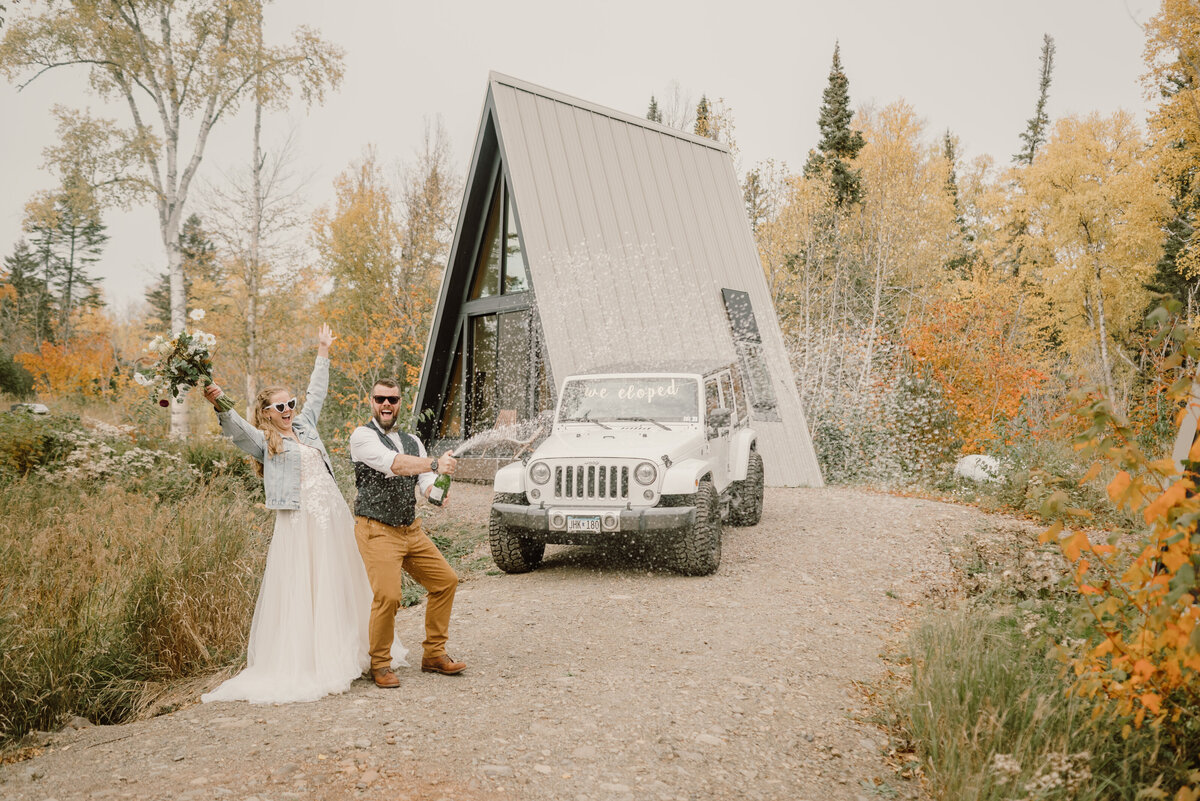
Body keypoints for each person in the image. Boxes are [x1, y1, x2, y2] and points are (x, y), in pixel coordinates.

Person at [199, 324, 403, 704]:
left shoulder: (305, 425)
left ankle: (362, 651)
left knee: (341, 579)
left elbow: (318, 394)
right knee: (308, 585)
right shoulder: (265, 441)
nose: (289, 410)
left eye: (291, 404)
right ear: (267, 413)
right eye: (281, 407)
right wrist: (218, 399)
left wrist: (323, 351)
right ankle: (315, 659)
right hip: (299, 522)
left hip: (332, 515)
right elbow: (236, 430)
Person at [349, 378, 464, 688]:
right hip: (377, 529)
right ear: (371, 401)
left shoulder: (413, 440)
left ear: (401, 403)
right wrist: (435, 463)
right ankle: (380, 664)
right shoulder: (362, 437)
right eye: (380, 398)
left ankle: (434, 655)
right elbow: (395, 465)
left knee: (445, 582)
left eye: (393, 399)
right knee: (388, 596)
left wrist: (441, 482)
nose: (386, 404)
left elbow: (427, 484)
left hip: (410, 530)